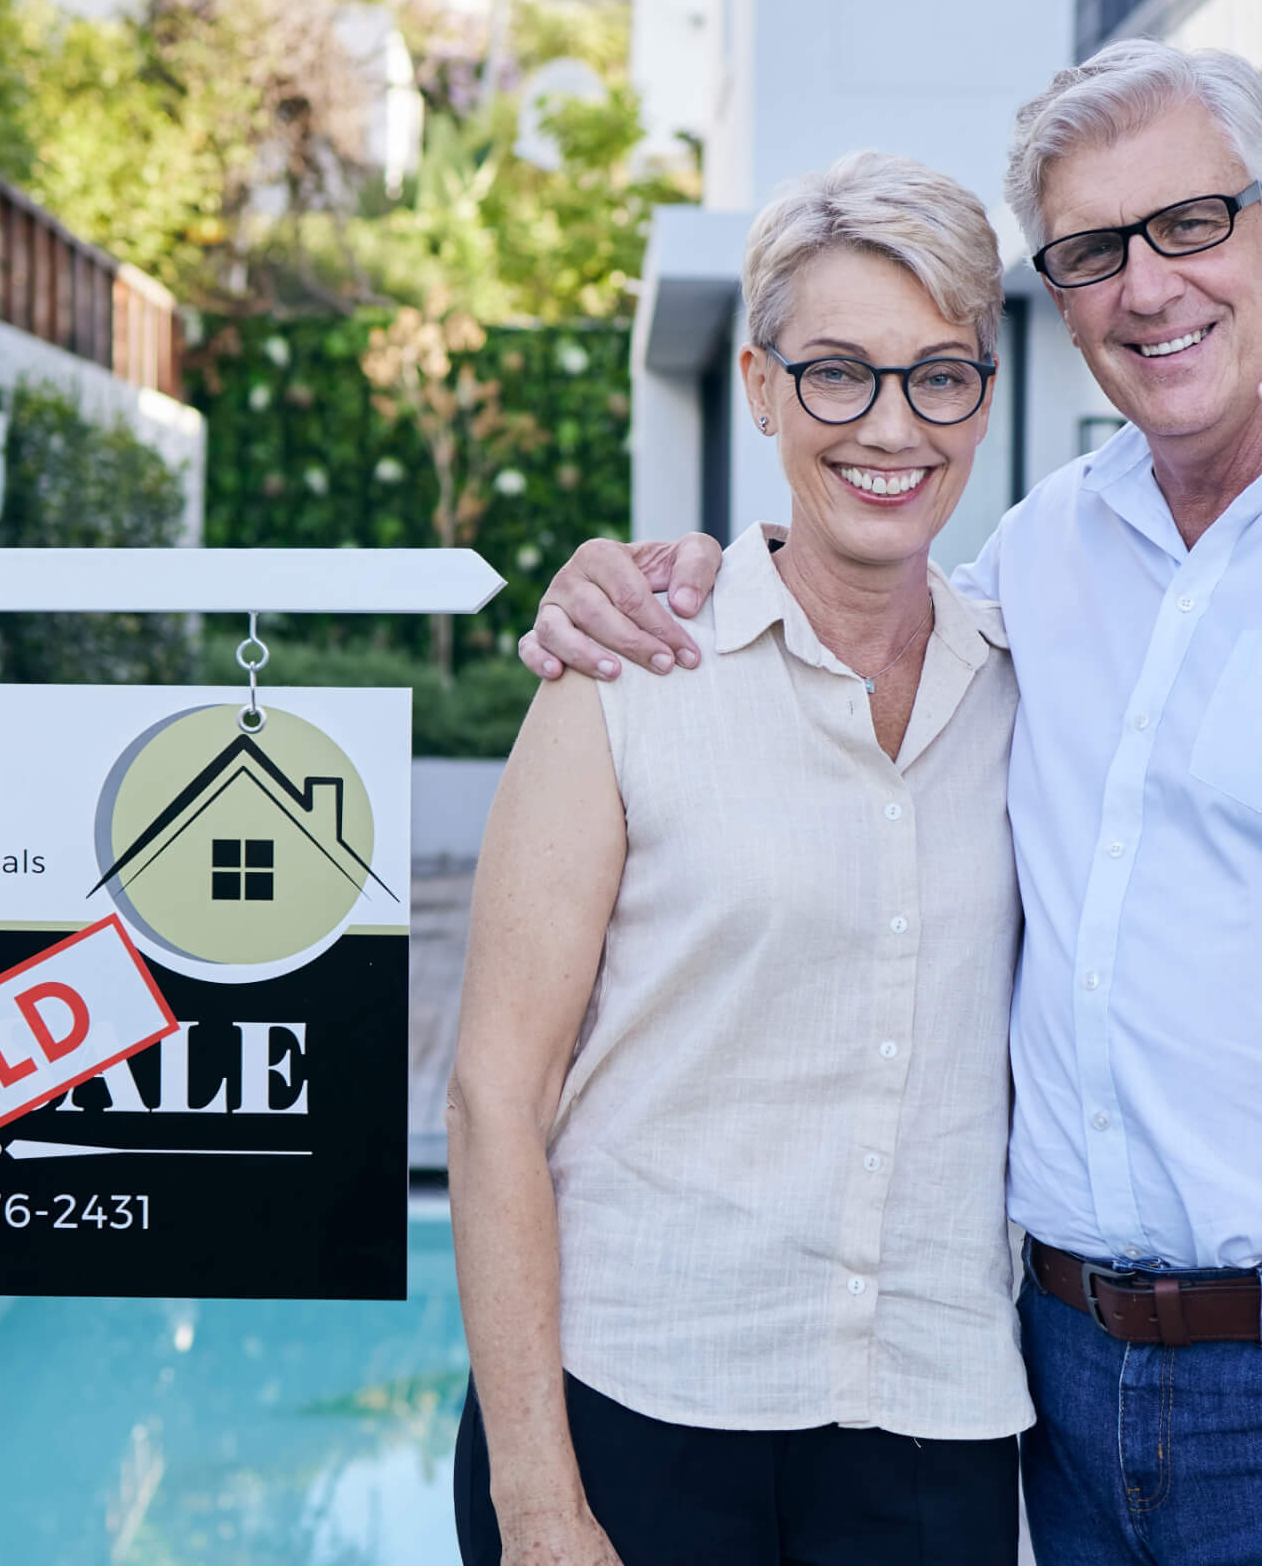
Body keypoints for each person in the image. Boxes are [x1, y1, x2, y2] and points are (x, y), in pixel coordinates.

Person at [520, 41, 1262, 1566]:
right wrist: (642, 575)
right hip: (1072, 1387)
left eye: (1191, 224)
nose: (1147, 287)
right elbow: (843, 606)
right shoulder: (1043, 555)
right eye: (1093, 251)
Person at [446, 150, 1032, 1566]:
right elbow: (489, 1097)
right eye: (838, 371)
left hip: (930, 1424)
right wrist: (539, 1507)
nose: (890, 424)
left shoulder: (1033, 682)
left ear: (984, 397)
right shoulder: (633, 666)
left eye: (937, 373)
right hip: (636, 1412)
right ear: (763, 387)